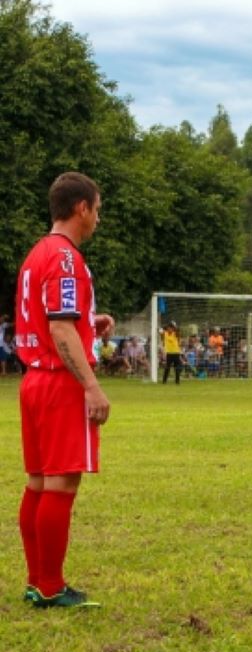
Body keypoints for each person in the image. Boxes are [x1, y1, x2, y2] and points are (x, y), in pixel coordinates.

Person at [15, 171, 112, 608]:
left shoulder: (38, 253)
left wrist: (90, 324)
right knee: (60, 485)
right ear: (81, 208)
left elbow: (53, 318)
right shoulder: (66, 258)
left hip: (34, 380)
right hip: (59, 382)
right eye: (97, 210)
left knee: (38, 483)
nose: (97, 219)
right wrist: (91, 387)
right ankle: (51, 587)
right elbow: (58, 327)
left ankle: (39, 580)